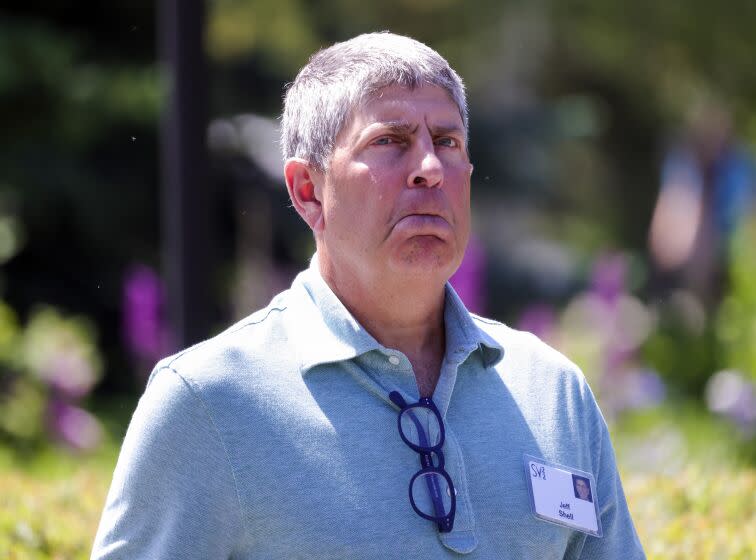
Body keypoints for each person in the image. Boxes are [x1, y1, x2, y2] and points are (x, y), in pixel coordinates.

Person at [91, 32, 645, 559]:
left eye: (447, 142)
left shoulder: (554, 392)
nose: (429, 167)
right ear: (308, 191)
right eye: (389, 142)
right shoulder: (207, 402)